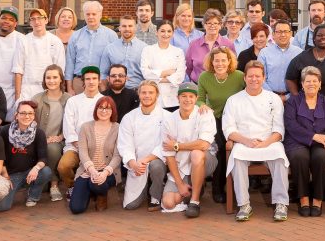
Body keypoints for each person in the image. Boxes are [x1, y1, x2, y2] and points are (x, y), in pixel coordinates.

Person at [223, 61, 290, 222]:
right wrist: (246, 140)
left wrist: (266, 143)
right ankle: (244, 204)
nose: (254, 79)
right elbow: (229, 129)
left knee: (280, 156)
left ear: (263, 78)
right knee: (237, 157)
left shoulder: (273, 98)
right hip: (244, 142)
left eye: (258, 76)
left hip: (269, 142)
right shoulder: (234, 100)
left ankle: (281, 203)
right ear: (244, 78)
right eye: (250, 76)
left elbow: (279, 129)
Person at [283, 66, 325, 217]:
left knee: (321, 157)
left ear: (320, 84)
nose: (311, 84)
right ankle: (303, 199)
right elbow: (291, 125)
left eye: (315, 81)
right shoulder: (293, 102)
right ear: (302, 84)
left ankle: (318, 199)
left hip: (323, 143)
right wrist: (314, 136)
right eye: (307, 81)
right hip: (297, 141)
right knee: (300, 157)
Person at [160, 81, 218, 217]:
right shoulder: (169, 119)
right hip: (181, 165)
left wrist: (177, 146)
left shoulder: (205, 114)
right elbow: (168, 154)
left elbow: (203, 145)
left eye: (191, 96)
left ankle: (194, 201)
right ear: (178, 98)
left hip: (205, 161)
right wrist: (180, 184)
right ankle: (193, 187)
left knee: (197, 153)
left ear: (196, 99)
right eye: (183, 96)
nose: (187, 100)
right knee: (169, 203)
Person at [197, 46, 245, 204]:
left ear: (229, 61)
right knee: (221, 150)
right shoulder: (205, 77)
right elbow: (199, 98)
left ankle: (239, 188)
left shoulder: (239, 76)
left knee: (236, 149)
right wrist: (202, 105)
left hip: (237, 121)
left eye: (223, 60)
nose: (220, 63)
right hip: (216, 119)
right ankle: (218, 189)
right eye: (216, 60)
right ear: (211, 61)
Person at [0, 101, 52, 210]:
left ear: (34, 116)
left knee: (46, 171)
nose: (27, 116)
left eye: (30, 113)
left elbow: (43, 157)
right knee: (1, 207)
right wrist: (5, 175)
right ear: (16, 115)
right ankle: (16, 187)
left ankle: (33, 195)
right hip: (11, 175)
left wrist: (36, 168)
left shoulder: (39, 133)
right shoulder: (5, 131)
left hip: (30, 173)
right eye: (23, 113)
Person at [118, 80, 166, 210]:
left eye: (151, 92)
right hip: (137, 165)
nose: (147, 95)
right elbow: (125, 145)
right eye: (143, 92)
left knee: (156, 167)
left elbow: (165, 145)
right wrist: (133, 163)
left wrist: (147, 159)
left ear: (157, 95)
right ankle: (144, 187)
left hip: (157, 160)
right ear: (138, 94)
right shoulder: (129, 118)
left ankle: (156, 194)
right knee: (130, 206)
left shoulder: (166, 116)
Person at [69, 97, 122, 213]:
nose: (104, 111)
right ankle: (91, 191)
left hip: (108, 171)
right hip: (87, 170)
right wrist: (92, 171)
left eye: (108, 108)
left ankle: (100, 194)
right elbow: (82, 151)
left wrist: (105, 173)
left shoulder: (118, 128)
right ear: (96, 109)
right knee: (76, 208)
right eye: (101, 107)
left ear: (113, 110)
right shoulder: (85, 127)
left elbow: (118, 156)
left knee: (96, 184)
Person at [58, 66, 104, 198]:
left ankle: (91, 189)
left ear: (99, 81)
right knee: (64, 166)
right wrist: (78, 144)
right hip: (75, 146)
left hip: (97, 147)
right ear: (83, 81)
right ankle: (72, 187)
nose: (91, 82)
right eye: (88, 79)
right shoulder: (73, 101)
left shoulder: (104, 101)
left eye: (94, 78)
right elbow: (68, 125)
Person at [12, 8, 66, 102]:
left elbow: (60, 70)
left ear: (46, 20)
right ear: (30, 23)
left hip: (49, 89)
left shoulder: (55, 41)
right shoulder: (24, 41)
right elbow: (18, 70)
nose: (37, 22)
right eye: (33, 19)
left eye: (40, 18)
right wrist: (18, 97)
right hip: (27, 89)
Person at [33, 64, 69, 202]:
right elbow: (31, 122)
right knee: (40, 186)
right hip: (39, 139)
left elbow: (73, 125)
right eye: (48, 77)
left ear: (61, 80)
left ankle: (54, 184)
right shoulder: (37, 99)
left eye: (55, 77)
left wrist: (61, 136)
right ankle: (43, 180)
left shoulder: (69, 99)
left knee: (52, 148)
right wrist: (41, 139)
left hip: (60, 140)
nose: (51, 80)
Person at [65, 0, 118, 92]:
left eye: (94, 14)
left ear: (100, 14)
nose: (90, 17)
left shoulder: (111, 35)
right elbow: (70, 62)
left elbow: (115, 62)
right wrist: (69, 87)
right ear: (84, 15)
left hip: (102, 82)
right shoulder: (75, 36)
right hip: (79, 82)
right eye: (88, 14)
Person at [140, 19, 187, 110]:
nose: (166, 34)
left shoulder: (178, 52)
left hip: (173, 100)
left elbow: (180, 77)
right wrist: (168, 72)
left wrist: (156, 77)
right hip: (153, 99)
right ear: (156, 32)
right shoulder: (148, 50)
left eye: (169, 31)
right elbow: (146, 74)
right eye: (162, 31)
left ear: (173, 34)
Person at [186, 8, 235, 83]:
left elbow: (232, 67)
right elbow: (188, 68)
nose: (212, 26)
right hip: (197, 87)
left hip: (220, 86)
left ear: (220, 25)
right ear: (204, 24)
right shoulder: (194, 45)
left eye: (215, 23)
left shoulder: (228, 44)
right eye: (209, 23)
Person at [98, 15, 147, 91]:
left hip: (137, 92)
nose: (127, 29)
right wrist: (104, 94)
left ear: (135, 28)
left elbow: (148, 74)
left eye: (130, 26)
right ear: (119, 28)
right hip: (115, 92)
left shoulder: (145, 48)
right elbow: (103, 73)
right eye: (124, 26)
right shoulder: (109, 48)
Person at [259, 19, 303, 100]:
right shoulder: (264, 53)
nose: (283, 35)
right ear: (273, 34)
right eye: (279, 32)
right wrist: (274, 97)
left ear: (290, 34)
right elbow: (260, 78)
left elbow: (302, 79)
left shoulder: (299, 53)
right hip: (268, 98)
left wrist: (287, 97)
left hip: (293, 98)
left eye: (286, 31)